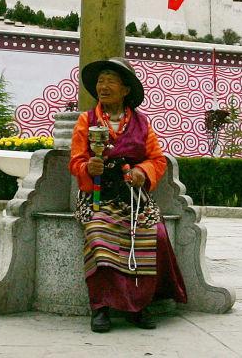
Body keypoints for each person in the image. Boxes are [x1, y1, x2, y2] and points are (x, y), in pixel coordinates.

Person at [68, 57, 187, 333]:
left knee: (153, 235)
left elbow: (157, 160)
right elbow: (76, 161)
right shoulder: (87, 121)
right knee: (98, 234)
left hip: (134, 198)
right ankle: (101, 307)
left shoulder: (142, 124)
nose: (103, 86)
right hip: (97, 196)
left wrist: (142, 172)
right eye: (100, 80)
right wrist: (88, 167)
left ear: (125, 90)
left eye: (111, 80)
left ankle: (140, 306)